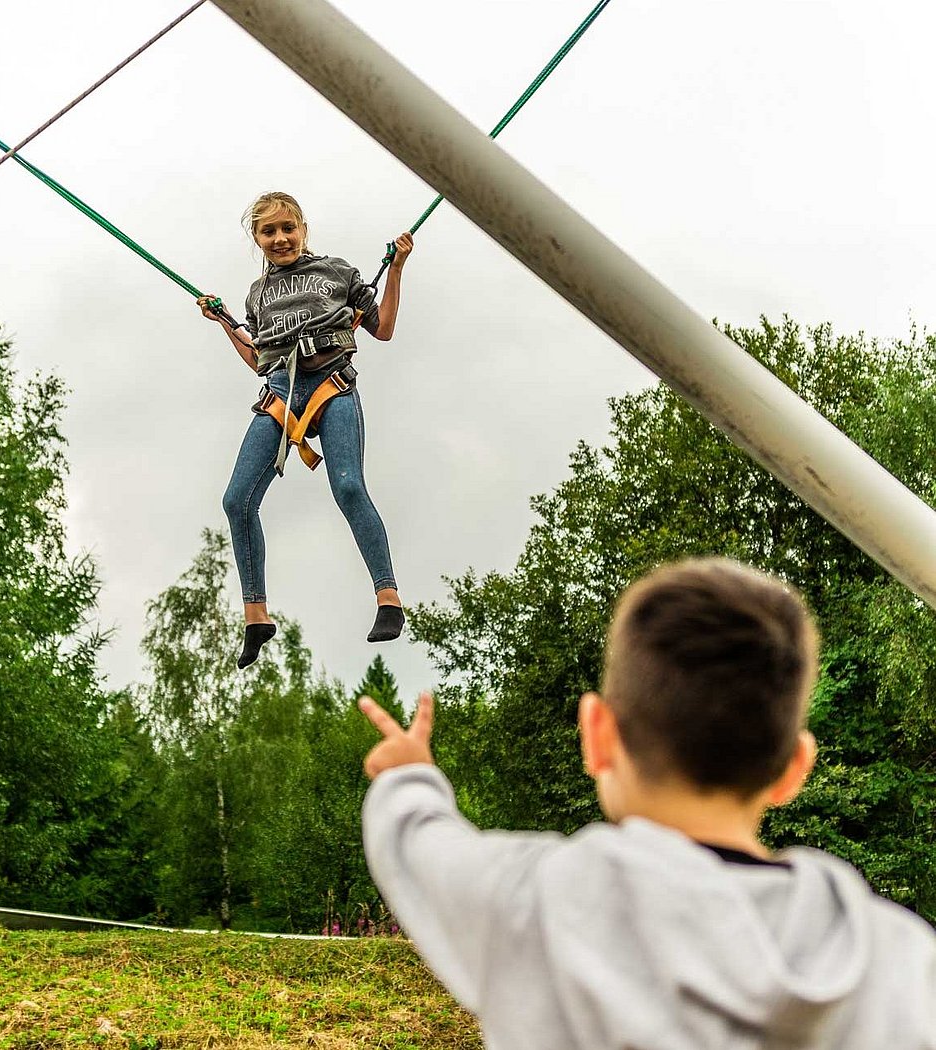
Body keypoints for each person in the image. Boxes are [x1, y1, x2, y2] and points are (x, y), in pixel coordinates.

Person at [358, 557, 936, 1049]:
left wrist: (408, 775)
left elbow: (415, 845)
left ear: (596, 735)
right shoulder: (904, 965)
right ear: (793, 770)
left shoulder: (536, 903)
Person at [198, 191, 413, 668]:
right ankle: (256, 615)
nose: (280, 239)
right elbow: (259, 358)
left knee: (349, 486)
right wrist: (223, 324)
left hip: (330, 383)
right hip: (280, 393)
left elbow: (384, 327)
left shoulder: (337, 273)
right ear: (256, 239)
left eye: (287, 228)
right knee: (236, 500)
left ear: (302, 229)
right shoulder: (256, 295)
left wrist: (395, 267)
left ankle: (388, 598)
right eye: (268, 232)